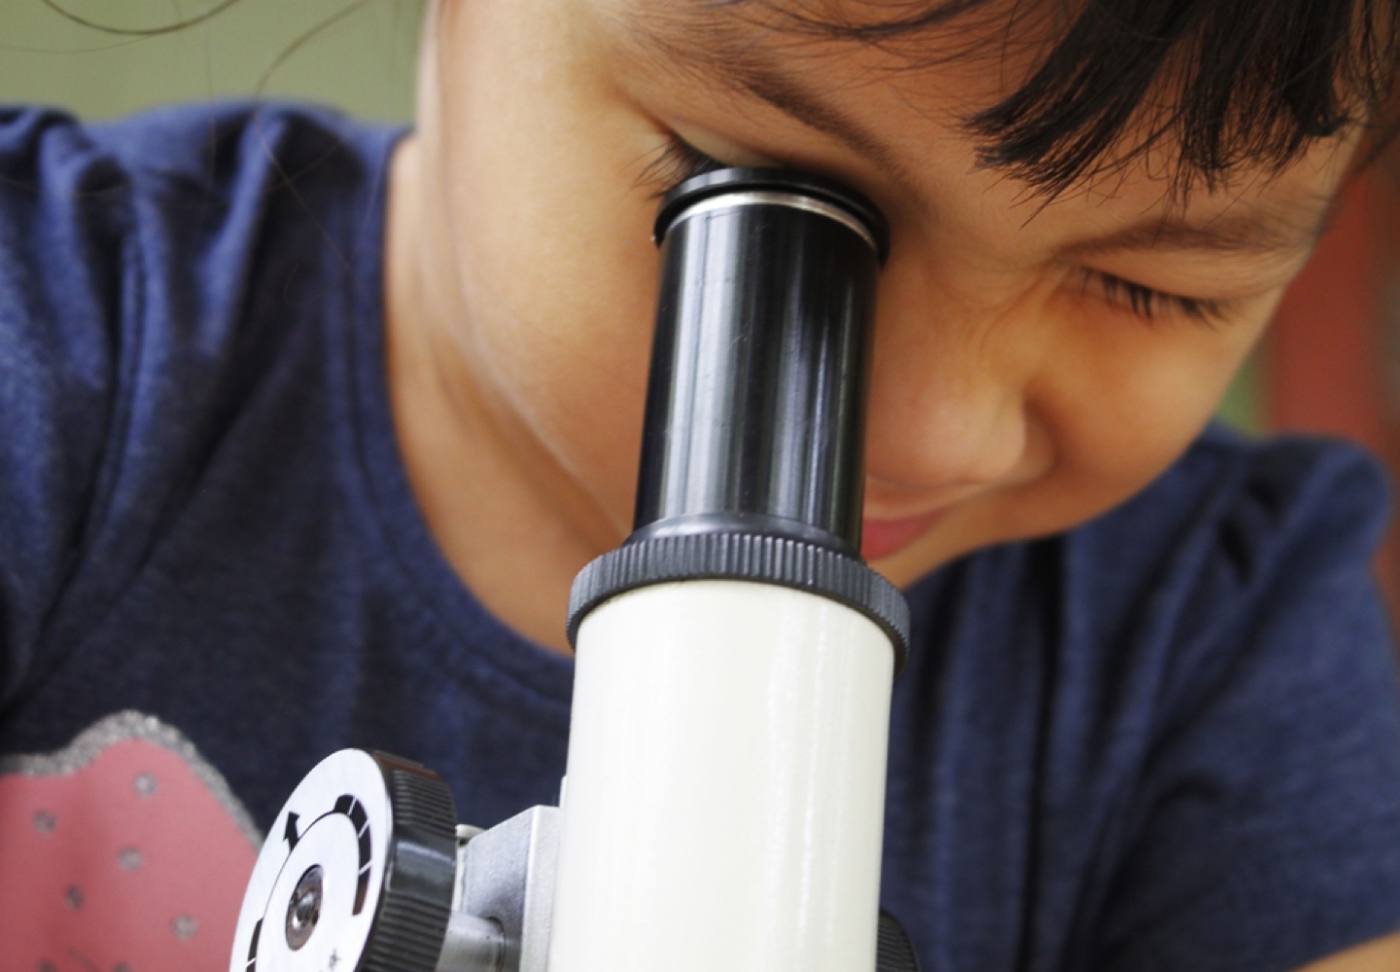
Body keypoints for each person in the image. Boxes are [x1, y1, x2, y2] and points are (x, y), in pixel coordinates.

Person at [2, 0, 1400, 968]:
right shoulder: (54, 343)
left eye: (1149, 286)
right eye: (764, 203)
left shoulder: (1217, 647)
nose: (931, 430)